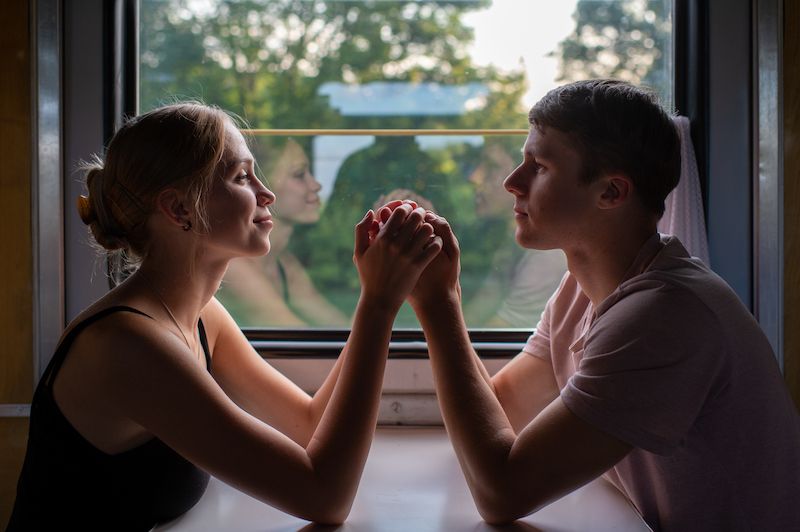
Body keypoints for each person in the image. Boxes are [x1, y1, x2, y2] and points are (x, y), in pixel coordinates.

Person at [8, 103, 442, 530]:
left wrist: (376, 292)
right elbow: (324, 497)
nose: (265, 192)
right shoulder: (126, 344)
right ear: (180, 210)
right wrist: (379, 304)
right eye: (241, 177)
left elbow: (308, 425)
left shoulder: (201, 317)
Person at [396, 80, 800, 530]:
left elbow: (504, 492)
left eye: (540, 165)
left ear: (611, 192)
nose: (512, 182)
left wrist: (438, 302)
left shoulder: (665, 315)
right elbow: (505, 405)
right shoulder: (581, 291)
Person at [220, 138, 348, 326]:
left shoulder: (284, 265)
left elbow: (339, 330)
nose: (316, 185)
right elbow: (303, 344)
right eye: (299, 175)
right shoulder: (234, 268)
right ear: (263, 185)